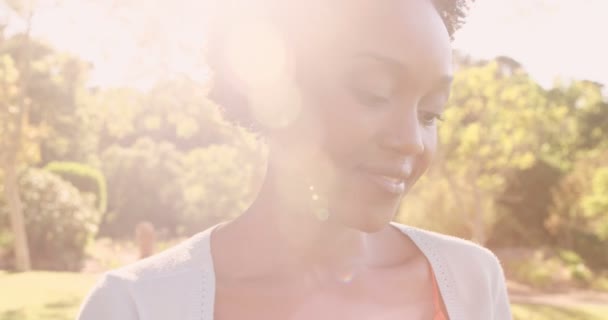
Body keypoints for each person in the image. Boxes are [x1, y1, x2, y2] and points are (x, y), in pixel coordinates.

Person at [78, 0, 512, 319]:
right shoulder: (136, 307)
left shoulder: (472, 283)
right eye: (373, 92)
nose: (412, 141)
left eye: (430, 113)